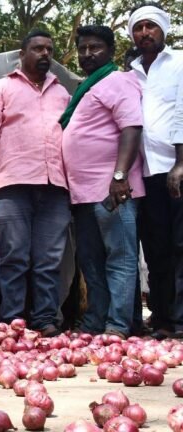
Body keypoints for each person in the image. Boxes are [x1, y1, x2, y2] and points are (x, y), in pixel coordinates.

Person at [0, 30, 71, 336]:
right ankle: (12, 320)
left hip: (55, 187)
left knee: (49, 259)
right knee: (15, 256)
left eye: (49, 50)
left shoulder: (62, 93)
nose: (44, 54)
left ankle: (44, 319)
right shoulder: (0, 89)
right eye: (37, 48)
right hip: (14, 185)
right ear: (22, 55)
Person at [61, 25, 145, 339]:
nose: (86, 54)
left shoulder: (118, 81)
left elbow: (131, 128)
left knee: (120, 258)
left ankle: (117, 326)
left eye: (94, 47)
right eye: (82, 48)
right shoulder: (88, 87)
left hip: (112, 190)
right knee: (90, 261)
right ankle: (96, 320)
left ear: (109, 50)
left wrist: (120, 176)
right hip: (82, 194)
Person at [128, 2, 183, 339]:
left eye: (151, 26)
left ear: (164, 29)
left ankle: (180, 321)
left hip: (175, 169)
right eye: (138, 27)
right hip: (145, 173)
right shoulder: (130, 71)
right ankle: (162, 318)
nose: (145, 33)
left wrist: (181, 162)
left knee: (181, 246)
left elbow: (182, 112)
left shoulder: (178, 63)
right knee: (155, 247)